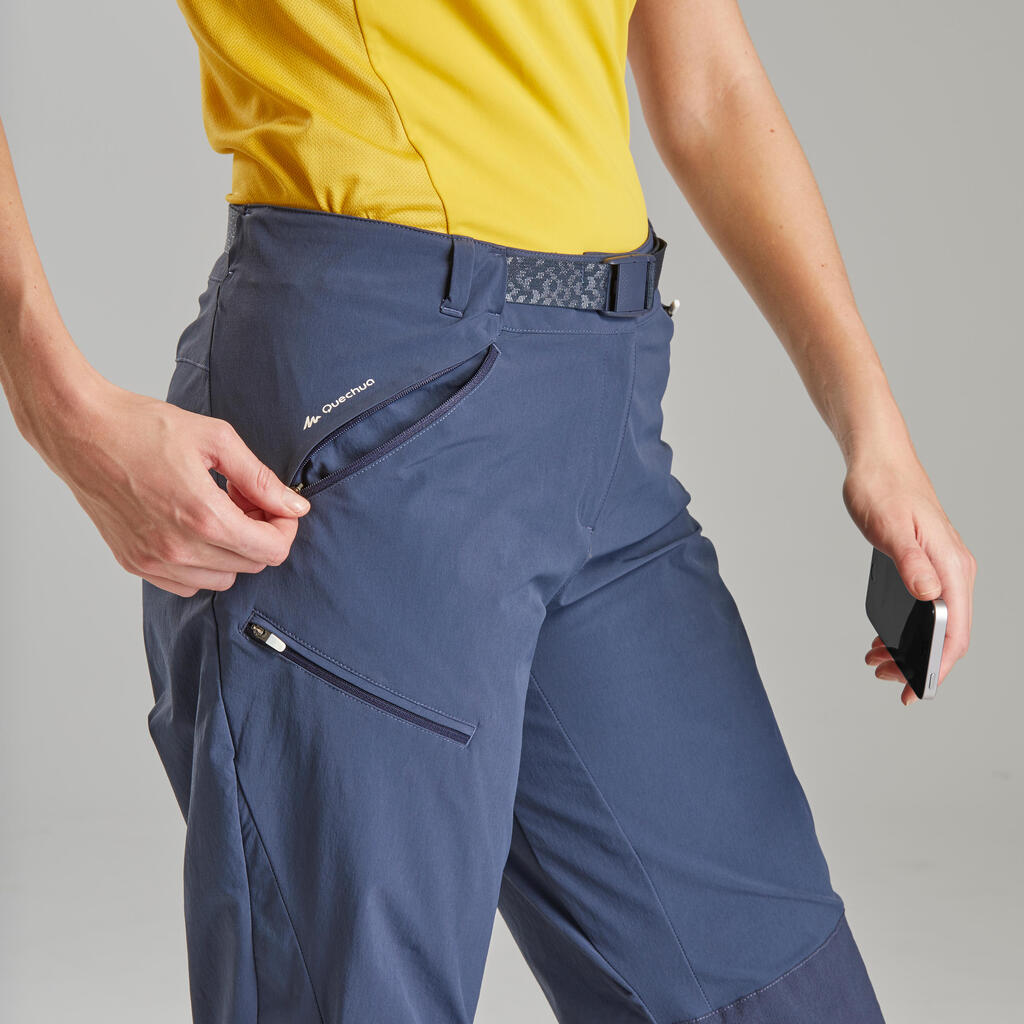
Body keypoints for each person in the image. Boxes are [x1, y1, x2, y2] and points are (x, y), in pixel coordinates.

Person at [0, 1, 975, 1022]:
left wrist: (876, 432)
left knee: (775, 991)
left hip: (606, 415)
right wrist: (54, 405)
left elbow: (709, 89)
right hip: (377, 411)